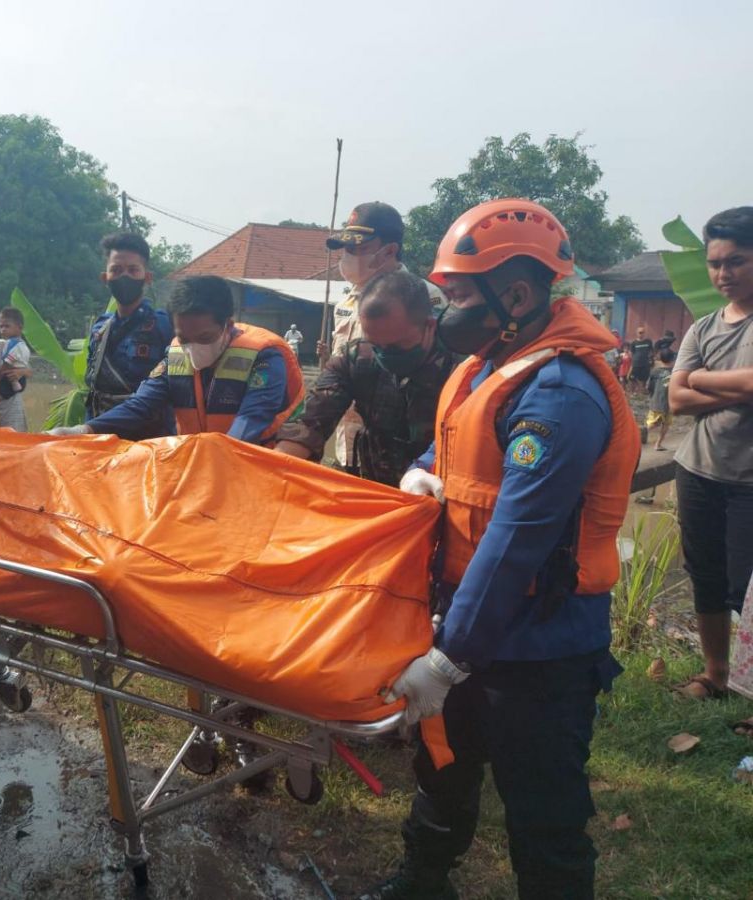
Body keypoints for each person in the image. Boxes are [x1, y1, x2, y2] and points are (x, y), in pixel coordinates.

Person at [358, 199, 640, 900]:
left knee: (544, 811)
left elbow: (517, 539)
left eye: (456, 295)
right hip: (463, 613)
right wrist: (422, 472)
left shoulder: (561, 393)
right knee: (442, 774)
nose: (445, 309)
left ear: (514, 294)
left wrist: (450, 654)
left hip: (540, 640)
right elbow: (452, 447)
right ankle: (424, 883)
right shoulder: (486, 367)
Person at [51, 275, 305, 446]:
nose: (193, 347)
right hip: (197, 465)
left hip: (256, 466)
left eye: (204, 337)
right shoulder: (174, 357)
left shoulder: (265, 357)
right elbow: (141, 405)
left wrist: (218, 457)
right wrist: (85, 430)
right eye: (184, 338)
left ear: (228, 325)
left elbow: (253, 417)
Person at [667, 206, 753, 702]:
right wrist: (735, 389)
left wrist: (699, 377)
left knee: (746, 585)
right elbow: (676, 399)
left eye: (737, 261)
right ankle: (716, 674)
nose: (724, 274)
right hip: (698, 467)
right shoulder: (703, 328)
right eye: (716, 263)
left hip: (749, 479)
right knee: (706, 575)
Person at [274, 270, 460, 486]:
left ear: (430, 326)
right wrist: (278, 466)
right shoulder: (355, 358)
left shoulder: (461, 368)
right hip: (377, 491)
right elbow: (311, 421)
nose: (384, 354)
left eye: (396, 345)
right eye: (375, 344)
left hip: (438, 491)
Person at [318, 202, 446, 470]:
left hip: (405, 448)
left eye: (358, 248)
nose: (348, 256)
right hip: (349, 440)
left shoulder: (424, 297)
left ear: (389, 250)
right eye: (346, 249)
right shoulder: (347, 301)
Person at [83, 232, 175, 437]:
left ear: (147, 277)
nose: (124, 276)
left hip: (148, 439)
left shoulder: (164, 326)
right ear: (105, 278)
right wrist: (86, 432)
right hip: (99, 435)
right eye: (116, 270)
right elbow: (94, 390)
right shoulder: (100, 328)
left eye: (133, 270)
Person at [0, 306, 31, 404]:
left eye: (7, 326)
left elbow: (6, 365)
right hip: (14, 380)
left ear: (19, 328)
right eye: (1, 326)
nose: (3, 329)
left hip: (9, 380)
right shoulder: (11, 344)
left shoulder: (17, 346)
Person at [647, 348, 675, 450]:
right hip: (669, 404)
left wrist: (652, 395)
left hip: (656, 402)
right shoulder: (675, 373)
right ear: (673, 359)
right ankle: (658, 444)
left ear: (661, 359)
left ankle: (636, 438)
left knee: (652, 423)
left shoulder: (655, 372)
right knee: (666, 424)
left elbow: (649, 387)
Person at [629, 324, 654, 391]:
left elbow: (651, 351)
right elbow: (631, 353)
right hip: (636, 364)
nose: (641, 334)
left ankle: (642, 391)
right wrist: (632, 362)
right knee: (632, 378)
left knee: (644, 378)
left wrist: (651, 359)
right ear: (637, 333)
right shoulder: (634, 343)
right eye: (640, 332)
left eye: (643, 332)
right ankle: (634, 391)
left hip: (645, 364)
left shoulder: (648, 341)